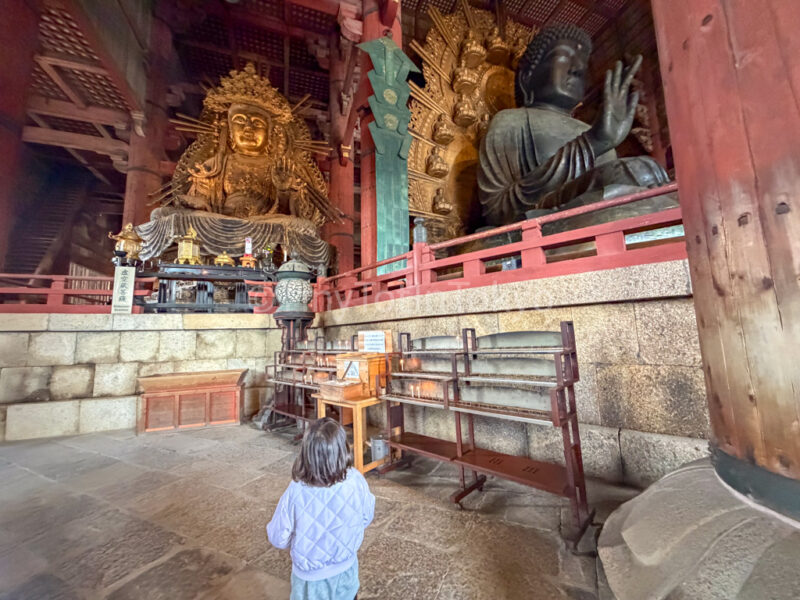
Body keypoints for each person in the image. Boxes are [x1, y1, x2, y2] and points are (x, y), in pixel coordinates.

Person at [267, 418, 375, 600]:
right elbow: (366, 516)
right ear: (342, 450)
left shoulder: (296, 490)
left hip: (310, 581)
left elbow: (278, 537)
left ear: (305, 452)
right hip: (346, 570)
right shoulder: (355, 480)